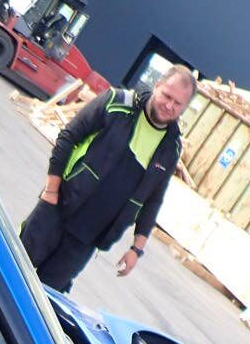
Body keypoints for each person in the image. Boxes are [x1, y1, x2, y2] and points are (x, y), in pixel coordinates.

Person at [20, 64, 197, 292]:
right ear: (157, 86)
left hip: (88, 237)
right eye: (167, 96)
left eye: (178, 103)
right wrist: (51, 191)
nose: (169, 106)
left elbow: (153, 200)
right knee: (12, 268)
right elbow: (68, 137)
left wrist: (136, 249)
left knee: (45, 297)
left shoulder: (170, 149)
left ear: (184, 108)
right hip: (57, 208)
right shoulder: (116, 102)